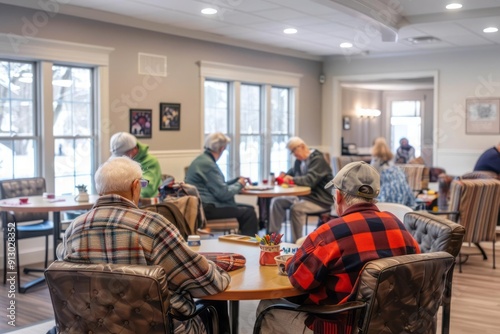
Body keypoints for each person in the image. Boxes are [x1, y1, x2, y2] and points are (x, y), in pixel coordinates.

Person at [58, 157, 231, 334]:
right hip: (158, 328)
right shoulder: (153, 226)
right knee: (214, 303)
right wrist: (219, 268)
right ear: (135, 186)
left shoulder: (74, 229)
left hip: (92, 328)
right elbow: (207, 282)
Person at [256, 161, 420, 333]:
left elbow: (298, 279)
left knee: (268, 307)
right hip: (392, 324)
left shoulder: (330, 232)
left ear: (339, 196)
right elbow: (416, 266)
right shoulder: (398, 225)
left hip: (340, 326)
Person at [185, 132, 258, 236]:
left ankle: (241, 242)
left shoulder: (202, 160)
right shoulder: (208, 164)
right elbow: (223, 194)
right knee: (248, 213)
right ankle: (249, 246)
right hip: (207, 209)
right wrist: (239, 184)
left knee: (249, 209)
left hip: (203, 206)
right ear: (222, 148)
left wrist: (236, 181)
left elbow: (217, 186)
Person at [268, 137, 333, 243]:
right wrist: (286, 175)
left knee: (296, 208)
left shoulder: (318, 160)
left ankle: (297, 243)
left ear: (302, 146)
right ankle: (273, 238)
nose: (293, 154)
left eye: (294, 150)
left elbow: (309, 180)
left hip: (320, 200)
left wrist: (291, 179)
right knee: (277, 202)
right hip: (304, 197)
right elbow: (293, 172)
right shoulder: (299, 161)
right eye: (291, 152)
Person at [109, 132, 162, 198]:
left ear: (133, 149)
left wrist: (124, 197)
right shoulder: (118, 161)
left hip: (146, 203)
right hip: (124, 200)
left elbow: (147, 188)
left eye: (122, 155)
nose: (120, 159)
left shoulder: (150, 162)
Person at [371, 137, 415, 207]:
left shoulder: (375, 160)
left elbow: (373, 179)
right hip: (403, 194)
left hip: (387, 196)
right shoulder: (391, 157)